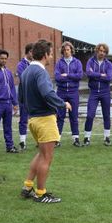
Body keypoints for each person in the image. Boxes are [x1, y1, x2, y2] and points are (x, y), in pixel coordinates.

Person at [18, 39, 71, 203]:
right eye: (51, 54)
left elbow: (20, 97)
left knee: (41, 154)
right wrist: (62, 104)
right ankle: (41, 193)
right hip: (45, 119)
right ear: (45, 55)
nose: (51, 56)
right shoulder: (40, 72)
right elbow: (47, 93)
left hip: (33, 119)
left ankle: (27, 186)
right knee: (47, 157)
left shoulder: (26, 71)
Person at [54, 41, 84, 147]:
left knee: (74, 116)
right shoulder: (59, 63)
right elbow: (57, 77)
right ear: (62, 51)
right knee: (60, 116)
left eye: (68, 49)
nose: (66, 52)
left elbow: (80, 75)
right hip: (61, 92)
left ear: (71, 50)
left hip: (73, 92)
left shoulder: (77, 62)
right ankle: (57, 139)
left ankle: (76, 139)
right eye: (64, 50)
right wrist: (71, 76)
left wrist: (67, 75)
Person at [83, 43, 112, 146]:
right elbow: (88, 73)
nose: (102, 53)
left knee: (106, 115)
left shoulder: (108, 64)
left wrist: (95, 75)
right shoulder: (90, 61)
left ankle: (107, 137)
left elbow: (109, 77)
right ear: (97, 51)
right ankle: (87, 137)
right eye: (100, 51)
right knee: (90, 115)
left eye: (104, 51)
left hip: (105, 92)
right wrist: (101, 75)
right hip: (94, 92)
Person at [16, 43, 34, 150]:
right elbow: (24, 79)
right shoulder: (20, 65)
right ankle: (22, 142)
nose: (34, 54)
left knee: (37, 119)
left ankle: (39, 140)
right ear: (28, 52)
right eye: (32, 52)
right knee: (23, 119)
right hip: (24, 96)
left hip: (34, 96)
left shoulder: (35, 64)